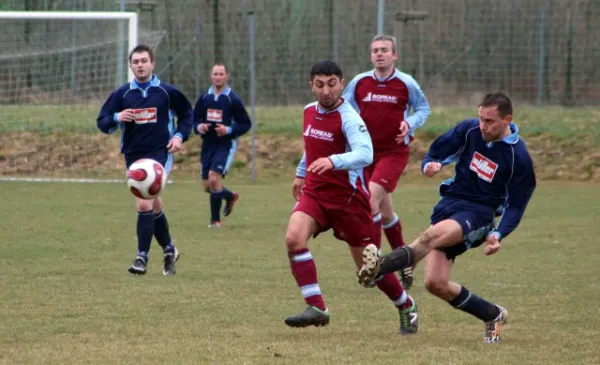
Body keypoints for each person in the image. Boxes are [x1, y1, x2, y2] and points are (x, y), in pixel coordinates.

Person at [357, 92, 536, 343]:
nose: (482, 126)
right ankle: (493, 315)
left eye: (490, 121)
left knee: (430, 236)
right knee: (435, 283)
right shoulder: (469, 130)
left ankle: (380, 267)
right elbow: (439, 150)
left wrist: (498, 233)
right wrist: (432, 164)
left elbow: (517, 205)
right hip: (450, 205)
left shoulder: (520, 158)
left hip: (479, 215)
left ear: (507, 120)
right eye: (481, 118)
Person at [283, 60, 418, 335]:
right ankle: (317, 307)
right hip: (316, 193)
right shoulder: (309, 112)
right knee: (293, 238)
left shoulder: (350, 117)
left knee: (370, 271)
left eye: (332, 84)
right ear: (312, 86)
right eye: (320, 85)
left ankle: (406, 306)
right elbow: (311, 148)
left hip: (348, 201)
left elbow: (365, 154)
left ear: (341, 84)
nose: (326, 91)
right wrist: (300, 173)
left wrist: (333, 161)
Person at [343, 34, 431, 289]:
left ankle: (374, 266)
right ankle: (406, 259)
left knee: (369, 201)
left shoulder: (406, 83)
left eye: (384, 50)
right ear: (370, 55)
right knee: (385, 211)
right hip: (365, 153)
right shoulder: (360, 82)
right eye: (375, 50)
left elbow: (423, 109)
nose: (379, 54)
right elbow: (344, 109)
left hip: (393, 153)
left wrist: (410, 123)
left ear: (394, 55)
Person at [97, 44, 193, 276]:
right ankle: (169, 249)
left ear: (152, 64)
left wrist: (179, 136)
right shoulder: (122, 94)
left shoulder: (166, 92)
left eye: (144, 60)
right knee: (154, 204)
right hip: (133, 154)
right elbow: (102, 121)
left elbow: (187, 113)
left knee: (143, 202)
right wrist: (118, 116)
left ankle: (142, 257)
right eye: (136, 61)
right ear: (131, 66)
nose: (140, 65)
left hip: (161, 153)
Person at [193, 64, 251, 227]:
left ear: (227, 76)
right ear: (211, 77)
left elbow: (245, 124)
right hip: (208, 144)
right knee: (207, 186)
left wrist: (229, 129)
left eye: (221, 74)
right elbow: (195, 119)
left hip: (225, 144)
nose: (218, 77)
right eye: (215, 74)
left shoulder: (233, 99)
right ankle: (230, 196)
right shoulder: (205, 98)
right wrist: (200, 127)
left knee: (213, 178)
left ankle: (215, 221)